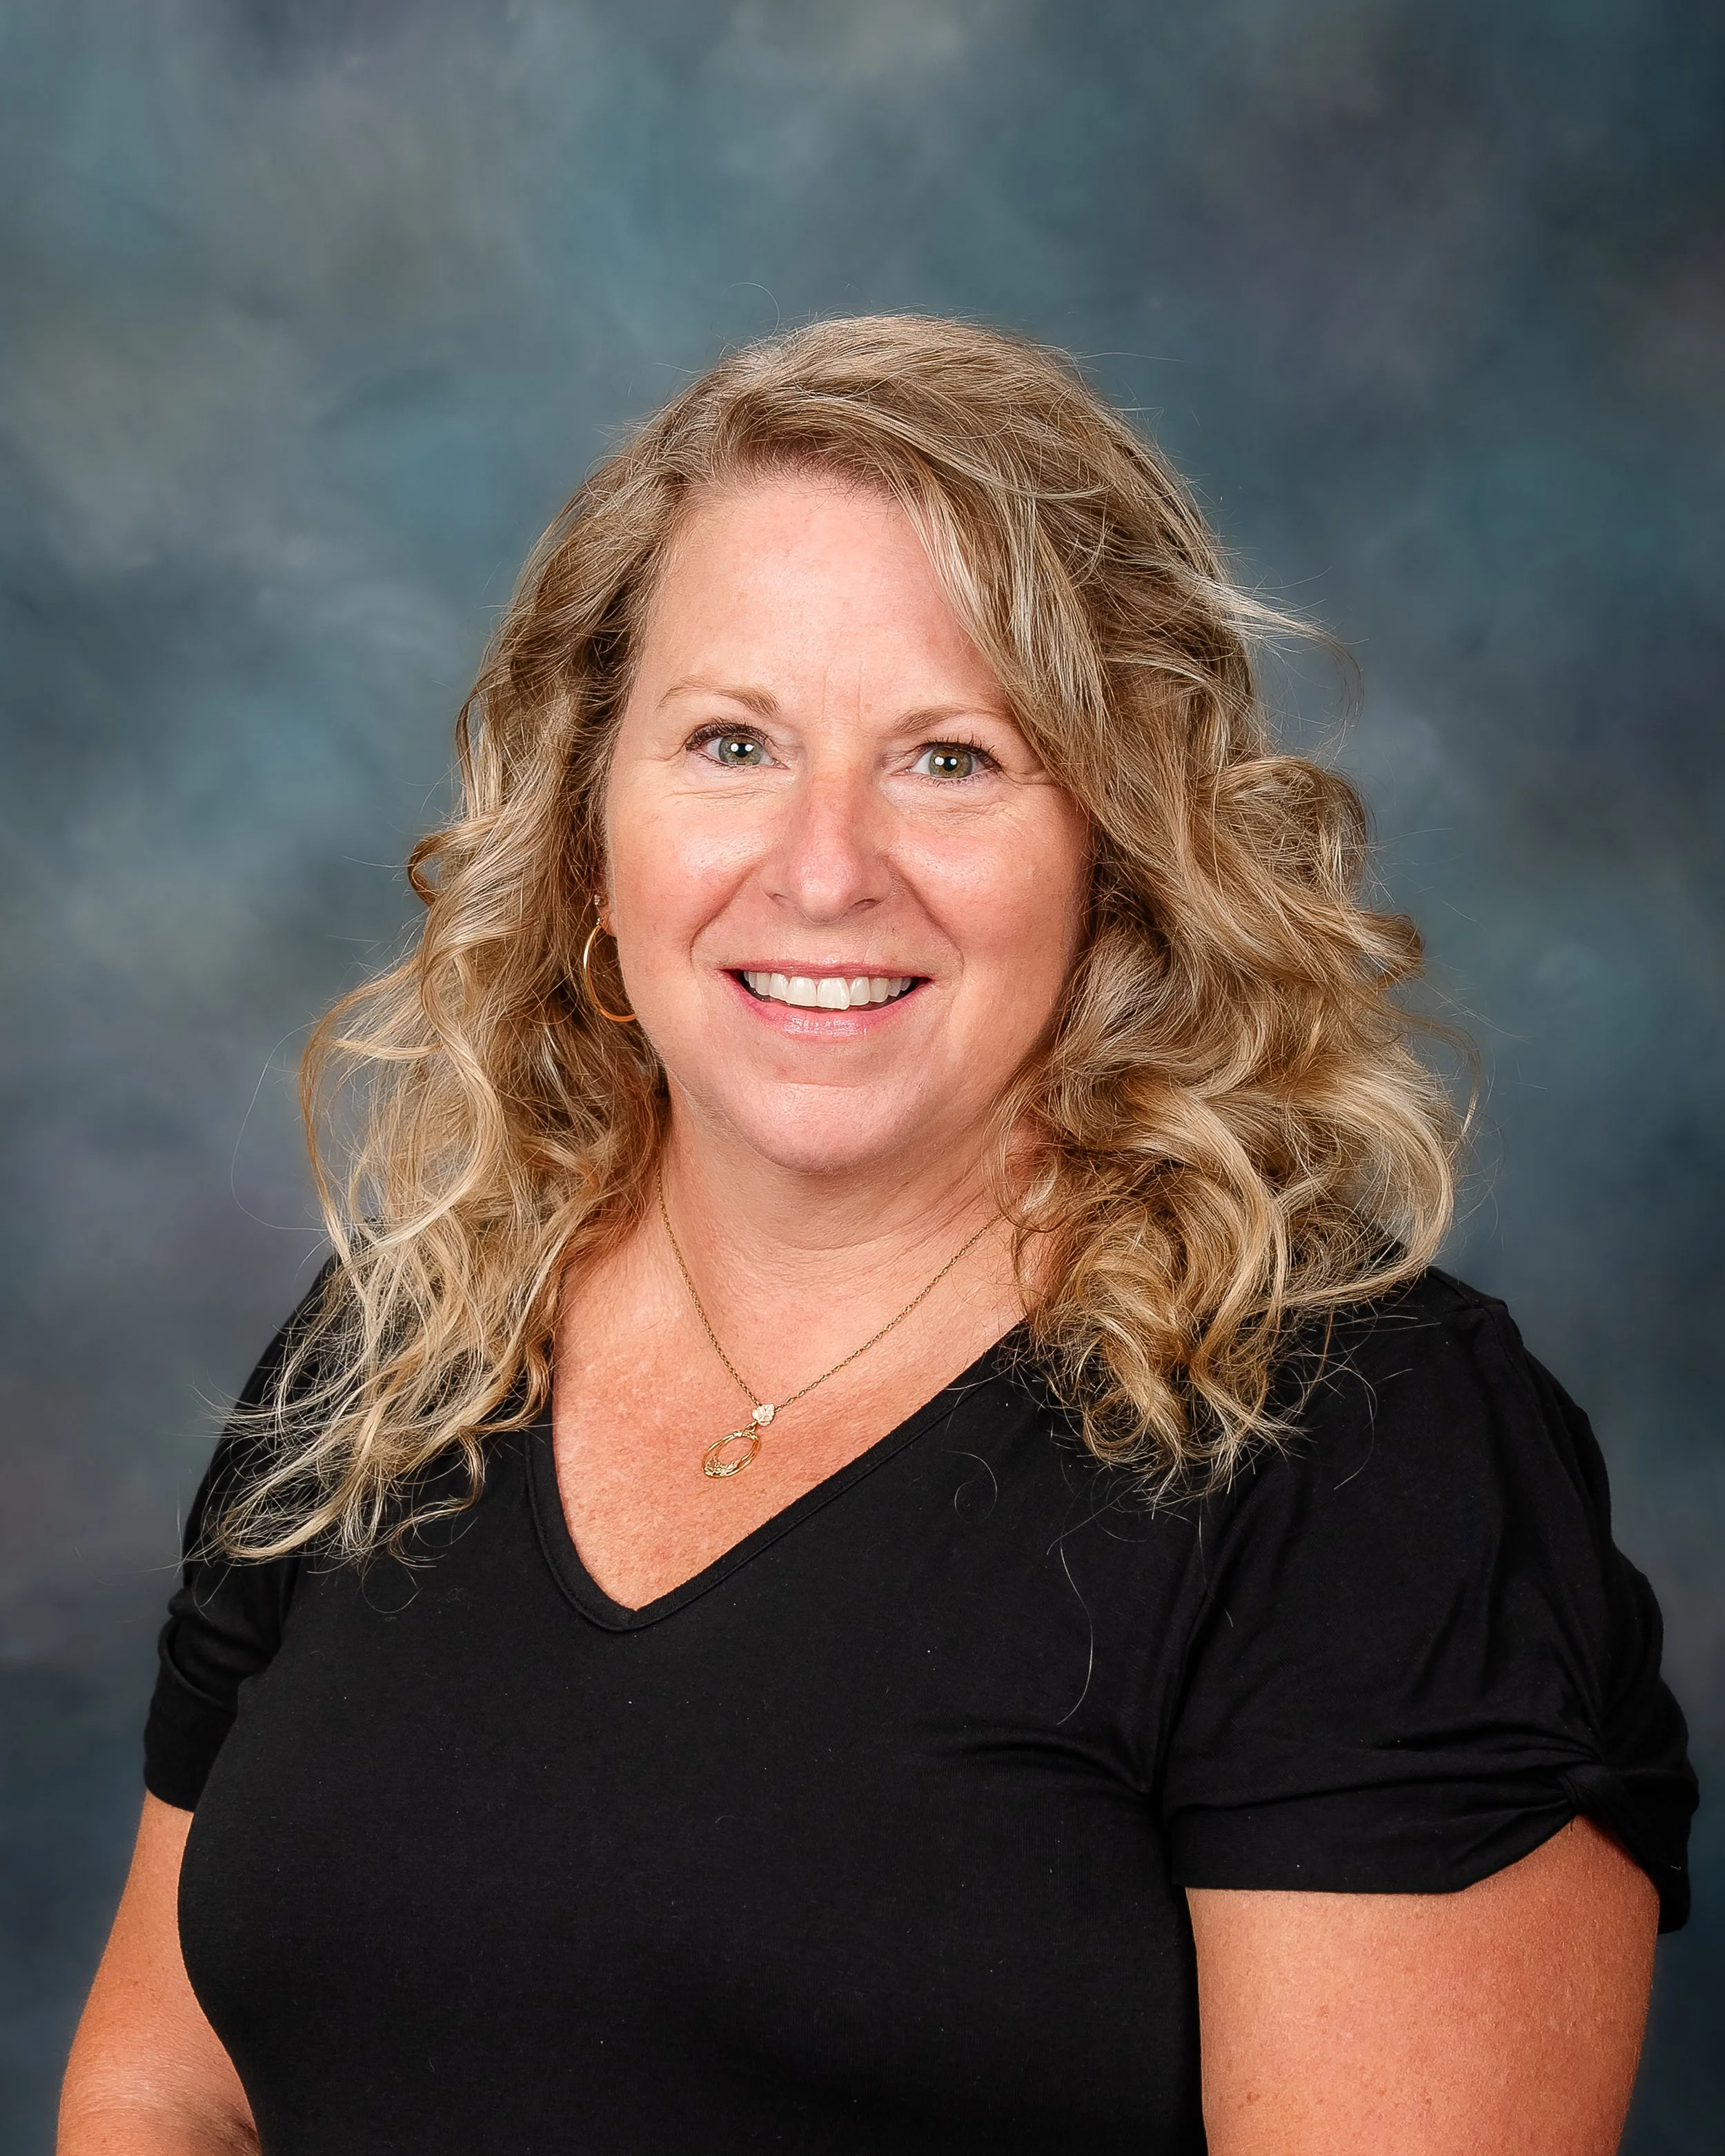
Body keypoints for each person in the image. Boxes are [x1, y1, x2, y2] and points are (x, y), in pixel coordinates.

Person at [59, 316, 1693, 2156]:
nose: (824, 866)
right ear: (591, 813)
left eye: (948, 758)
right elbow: (164, 2082)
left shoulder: (1356, 1455)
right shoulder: (401, 1351)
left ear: (1120, 837)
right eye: (732, 740)